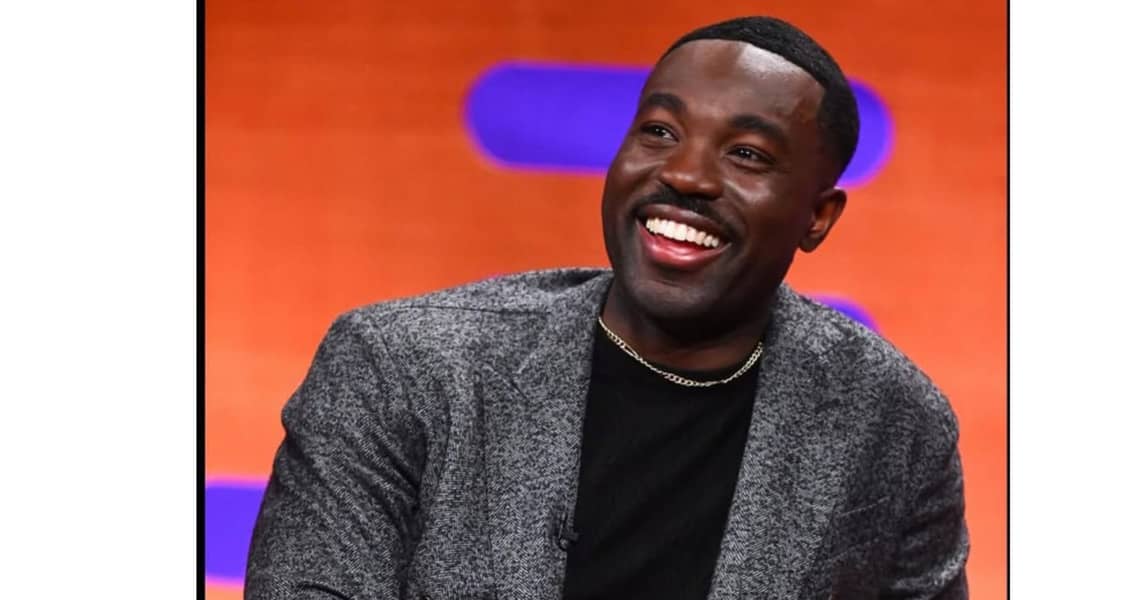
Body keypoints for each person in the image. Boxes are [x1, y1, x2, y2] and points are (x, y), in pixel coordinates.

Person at [245, 15, 969, 600]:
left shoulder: (894, 424)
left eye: (746, 154)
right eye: (660, 132)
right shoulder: (399, 370)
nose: (685, 174)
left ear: (818, 216)